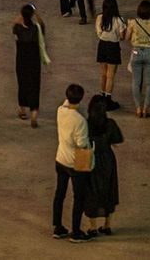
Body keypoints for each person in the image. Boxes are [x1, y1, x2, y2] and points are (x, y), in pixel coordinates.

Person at [52, 83, 93, 243]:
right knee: (78, 197)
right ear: (81, 99)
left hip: (61, 157)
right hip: (75, 162)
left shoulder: (60, 111)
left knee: (60, 193)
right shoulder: (80, 120)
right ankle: (76, 231)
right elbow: (81, 143)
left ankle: (58, 226)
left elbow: (65, 104)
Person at [84, 95, 124, 237]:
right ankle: (107, 225)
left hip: (91, 159)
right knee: (109, 189)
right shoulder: (110, 124)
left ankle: (92, 227)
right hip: (107, 158)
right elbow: (118, 139)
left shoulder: (86, 124)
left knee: (91, 191)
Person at [13, 3, 49, 128]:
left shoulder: (18, 28)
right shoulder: (36, 29)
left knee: (22, 84)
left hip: (21, 61)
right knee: (34, 85)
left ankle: (22, 110)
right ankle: (34, 113)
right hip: (34, 62)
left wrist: (22, 14)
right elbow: (42, 25)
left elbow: (14, 23)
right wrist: (36, 13)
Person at [125, 0, 150, 117]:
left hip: (136, 52)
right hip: (149, 52)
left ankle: (138, 108)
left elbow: (127, 37)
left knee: (136, 82)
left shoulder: (133, 23)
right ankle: (146, 108)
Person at [95, 0, 126, 110]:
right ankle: (108, 100)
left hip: (102, 45)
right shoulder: (118, 20)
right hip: (113, 47)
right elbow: (122, 36)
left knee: (103, 74)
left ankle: (102, 96)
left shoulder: (100, 18)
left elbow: (98, 33)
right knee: (110, 76)